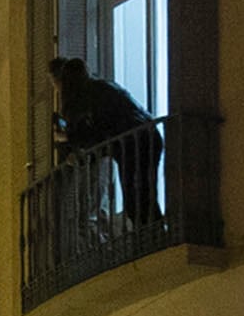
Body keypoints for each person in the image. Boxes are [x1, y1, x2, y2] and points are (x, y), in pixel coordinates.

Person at [49, 57, 161, 224]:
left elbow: (99, 131)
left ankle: (150, 238)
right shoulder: (102, 87)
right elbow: (104, 132)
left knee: (136, 199)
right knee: (142, 195)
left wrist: (68, 137)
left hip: (134, 144)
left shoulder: (89, 97)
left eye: (55, 82)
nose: (55, 88)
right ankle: (153, 235)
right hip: (146, 137)